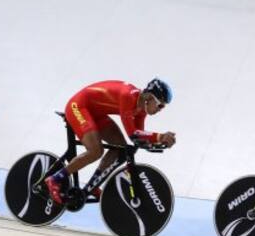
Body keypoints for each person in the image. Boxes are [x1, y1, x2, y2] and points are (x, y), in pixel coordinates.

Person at [43, 78, 176, 204]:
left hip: (96, 113)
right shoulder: (128, 96)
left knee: (120, 150)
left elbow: (139, 137)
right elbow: (133, 133)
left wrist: (157, 142)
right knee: (96, 151)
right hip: (78, 107)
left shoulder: (142, 109)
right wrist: (160, 136)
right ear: (150, 98)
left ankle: (94, 184)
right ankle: (55, 179)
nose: (160, 110)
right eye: (160, 105)